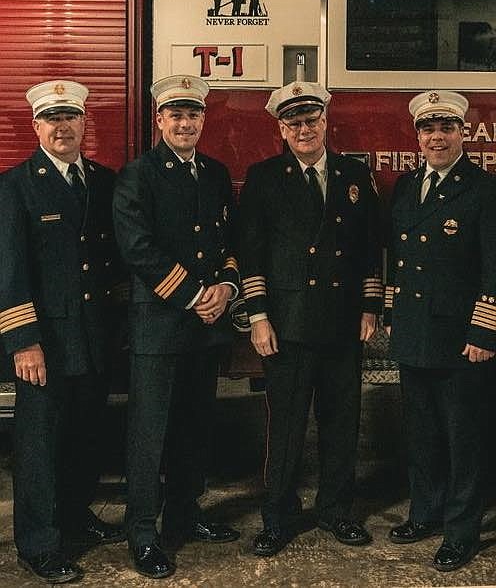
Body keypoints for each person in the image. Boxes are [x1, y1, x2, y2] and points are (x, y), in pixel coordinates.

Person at [238, 80, 383, 556]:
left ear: (326, 122)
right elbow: (251, 253)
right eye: (294, 123)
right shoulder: (263, 178)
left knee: (342, 422)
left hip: (342, 323)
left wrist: (369, 306)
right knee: (287, 428)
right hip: (288, 324)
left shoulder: (354, 175)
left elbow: (368, 248)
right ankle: (277, 516)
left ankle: (337, 511)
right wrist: (258, 316)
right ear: (281, 128)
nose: (304, 130)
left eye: (312, 121)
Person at [113, 75, 241, 579]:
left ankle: (186, 516)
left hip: (205, 326)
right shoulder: (138, 176)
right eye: (176, 115)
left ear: (203, 121)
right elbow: (138, 249)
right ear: (159, 120)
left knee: (195, 425)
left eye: (194, 115)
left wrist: (226, 290)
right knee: (150, 434)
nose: (185, 123)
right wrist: (194, 296)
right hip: (161, 327)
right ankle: (143, 532)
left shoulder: (214, 173)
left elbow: (229, 239)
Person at [0, 80, 126, 583]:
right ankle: (38, 543)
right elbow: (10, 271)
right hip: (45, 343)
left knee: (84, 436)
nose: (62, 127)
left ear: (84, 123)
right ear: (36, 127)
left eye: (71, 117)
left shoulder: (100, 179)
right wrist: (23, 342)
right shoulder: (15, 186)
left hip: (93, 336)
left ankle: (75, 516)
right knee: (39, 446)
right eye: (52, 119)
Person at [384, 90, 496, 572]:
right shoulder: (407, 188)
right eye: (428, 129)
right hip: (414, 332)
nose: (437, 137)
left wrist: (485, 331)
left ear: (462, 133)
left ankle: (461, 530)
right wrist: (392, 317)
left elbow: (494, 267)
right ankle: (424, 514)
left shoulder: (484, 189)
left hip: (460, 339)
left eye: (447, 128)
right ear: (417, 136)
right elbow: (397, 260)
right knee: (422, 433)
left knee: (463, 437)